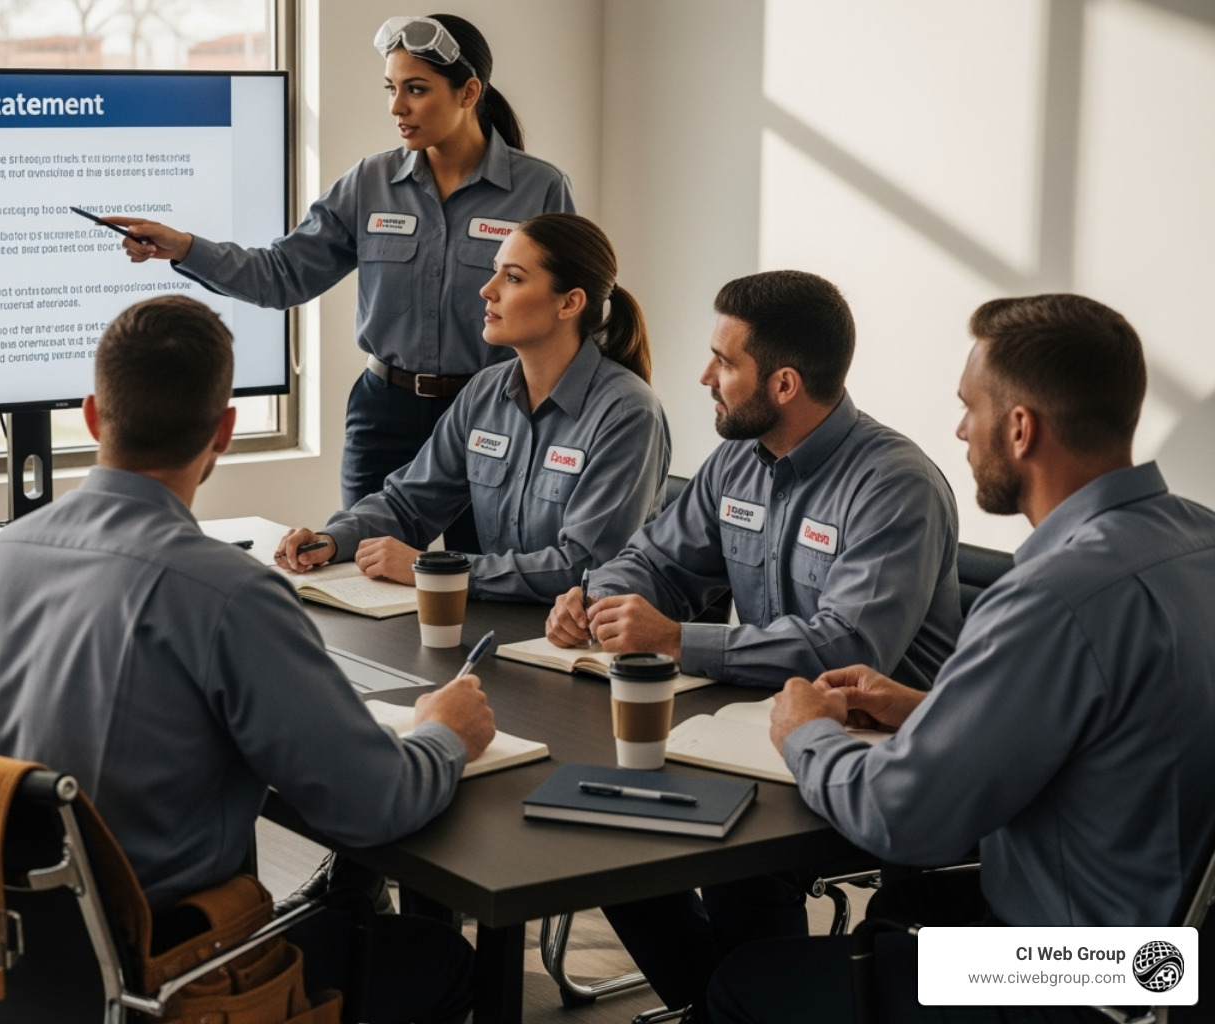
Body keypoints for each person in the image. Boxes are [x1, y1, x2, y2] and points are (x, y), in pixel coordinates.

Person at [0, 295, 497, 1024]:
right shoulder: (229, 594)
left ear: (93, 416)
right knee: (443, 961)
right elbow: (376, 805)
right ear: (225, 432)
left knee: (338, 905)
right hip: (163, 983)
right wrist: (444, 733)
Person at [707, 294, 1215, 1023]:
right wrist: (927, 709)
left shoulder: (1052, 596)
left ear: (1020, 428)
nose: (960, 429)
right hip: (1170, 965)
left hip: (1068, 980)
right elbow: (1119, 733)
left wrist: (805, 732)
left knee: (745, 982)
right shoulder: (1199, 542)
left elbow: (901, 817)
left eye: (969, 407)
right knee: (891, 918)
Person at [545, 270, 962, 1015]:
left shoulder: (895, 485)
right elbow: (656, 558)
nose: (705, 377)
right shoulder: (739, 457)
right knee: (604, 828)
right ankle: (728, 1008)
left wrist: (677, 638)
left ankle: (744, 1005)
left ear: (784, 384)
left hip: (871, 759)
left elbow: (844, 646)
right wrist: (600, 597)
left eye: (724, 361)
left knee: (730, 861)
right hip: (751, 733)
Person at [107, 14, 575, 553]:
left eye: (416, 89)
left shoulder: (539, 189)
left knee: (486, 577)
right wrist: (185, 247)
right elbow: (281, 275)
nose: (397, 107)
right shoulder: (369, 182)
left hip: (494, 414)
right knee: (358, 568)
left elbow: (566, 320)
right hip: (385, 415)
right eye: (391, 89)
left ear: (469, 92)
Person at [274, 213, 669, 602]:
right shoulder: (484, 391)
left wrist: (436, 569)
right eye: (496, 271)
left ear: (569, 303)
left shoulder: (628, 413)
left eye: (513, 278)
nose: (487, 290)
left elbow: (584, 565)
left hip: (583, 633)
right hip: (498, 617)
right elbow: (408, 504)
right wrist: (331, 539)